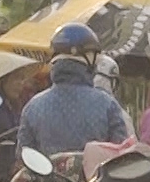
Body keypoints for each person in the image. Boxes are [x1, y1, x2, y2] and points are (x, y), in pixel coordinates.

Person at [16, 23, 132, 156]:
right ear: (88, 57)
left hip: (47, 176)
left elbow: (23, 158)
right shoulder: (108, 105)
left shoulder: (32, 108)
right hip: (95, 176)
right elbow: (121, 157)